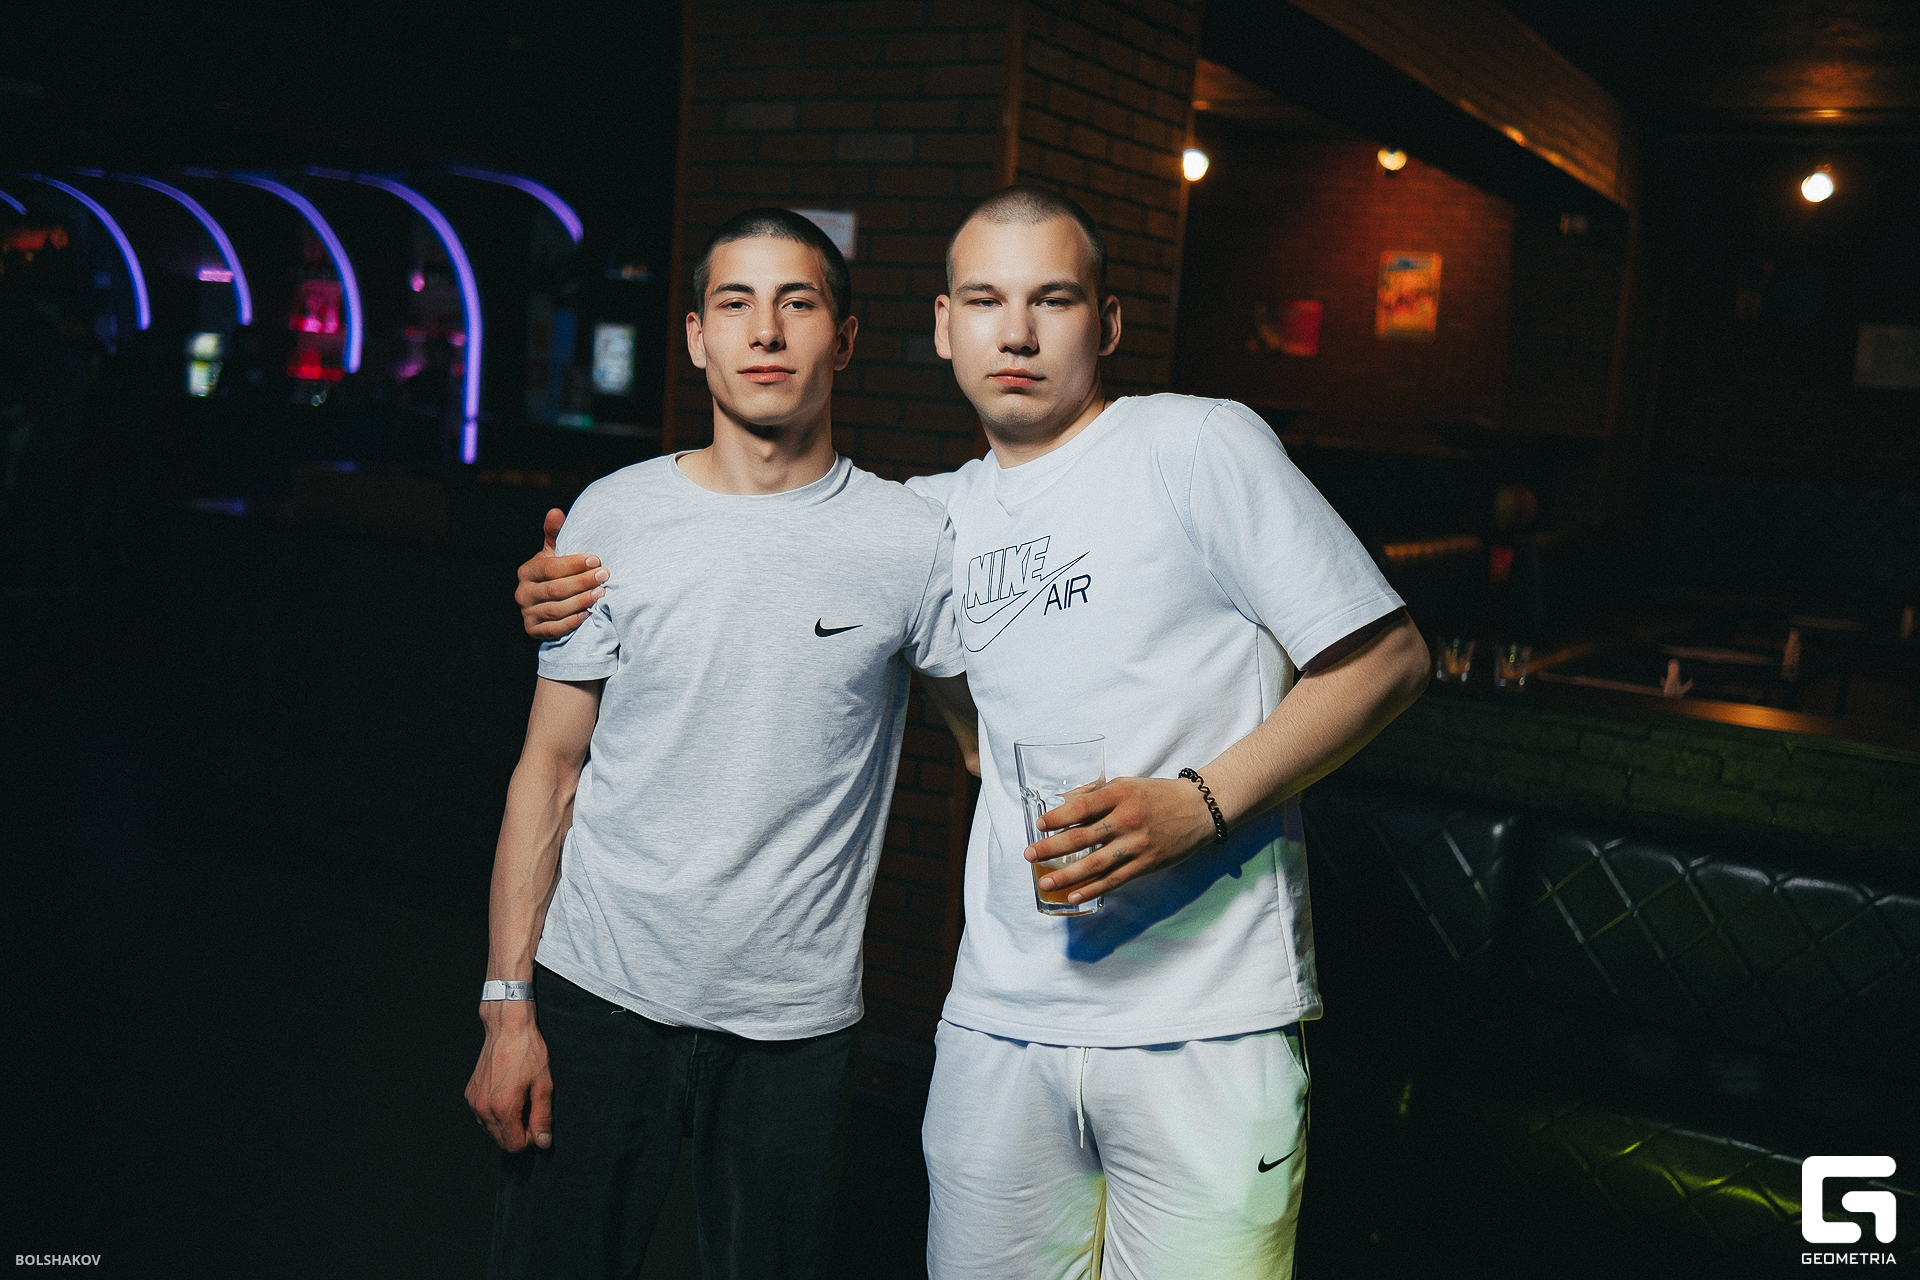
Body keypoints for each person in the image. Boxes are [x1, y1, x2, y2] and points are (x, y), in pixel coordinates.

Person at [514, 187, 1430, 1279]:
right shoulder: (928, 518)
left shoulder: (1195, 443)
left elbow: (1389, 659)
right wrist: (569, 581)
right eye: (988, 300)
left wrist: (1198, 803)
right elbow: (937, 700)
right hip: (999, 1021)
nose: (1019, 332)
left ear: (1107, 322)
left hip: (1206, 1021)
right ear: (946, 326)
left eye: (1054, 299)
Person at [469, 207, 976, 1280]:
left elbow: (993, 740)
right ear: (697, 337)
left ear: (844, 338)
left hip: (793, 1023)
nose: (766, 331)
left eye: (798, 303)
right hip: (597, 991)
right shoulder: (613, 518)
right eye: (735, 304)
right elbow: (548, 771)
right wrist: (507, 1008)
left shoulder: (911, 541)